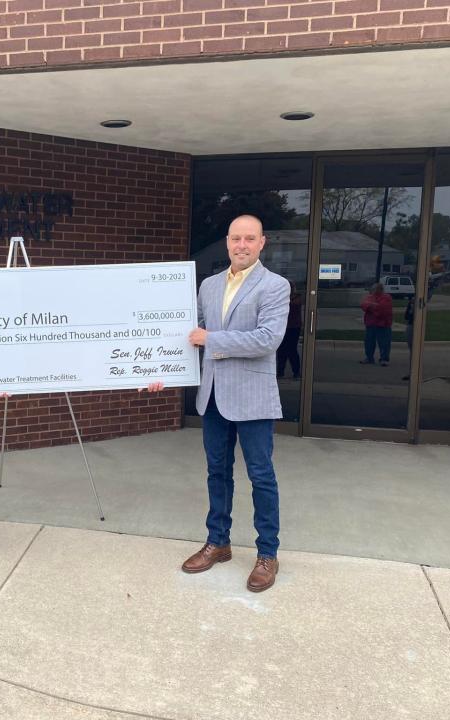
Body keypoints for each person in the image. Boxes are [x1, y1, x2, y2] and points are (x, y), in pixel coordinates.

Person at [184, 214, 290, 592]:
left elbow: (266, 340)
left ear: (262, 242)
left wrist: (211, 339)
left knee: (261, 475)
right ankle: (218, 542)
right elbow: (187, 334)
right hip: (212, 394)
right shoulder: (209, 285)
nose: (241, 245)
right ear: (227, 242)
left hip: (253, 397)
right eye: (235, 238)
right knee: (217, 471)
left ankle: (267, 553)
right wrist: (158, 368)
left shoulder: (275, 286)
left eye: (249, 238)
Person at [359, 282, 393, 366]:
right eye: (373, 289)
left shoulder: (387, 297)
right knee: (369, 342)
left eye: (375, 289)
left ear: (380, 289)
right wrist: (373, 306)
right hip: (370, 323)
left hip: (383, 324)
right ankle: (369, 358)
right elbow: (363, 304)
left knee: (384, 343)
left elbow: (383, 309)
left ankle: (384, 359)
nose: (373, 290)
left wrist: (371, 307)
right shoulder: (370, 297)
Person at [276, 281, 302, 379]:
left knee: (292, 350)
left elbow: (292, 305)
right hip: (283, 326)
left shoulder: (297, 298)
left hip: (294, 327)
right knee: (282, 350)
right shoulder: (282, 298)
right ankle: (280, 372)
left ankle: (296, 372)